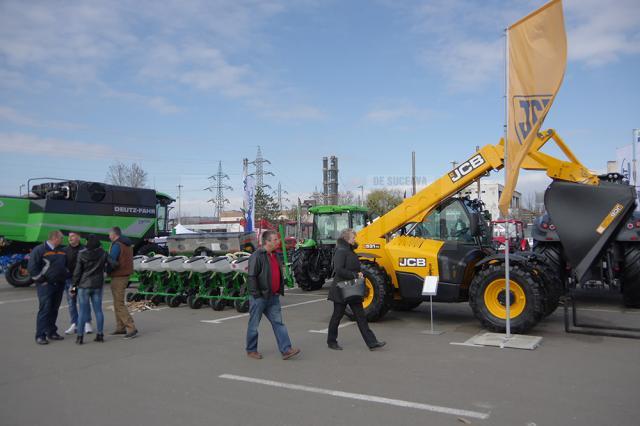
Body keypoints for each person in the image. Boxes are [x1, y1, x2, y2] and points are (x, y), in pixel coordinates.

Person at [246, 230, 300, 360]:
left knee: (278, 323)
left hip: (273, 296)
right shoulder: (257, 256)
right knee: (254, 325)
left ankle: (286, 350)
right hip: (260, 298)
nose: (278, 241)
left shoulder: (275, 254)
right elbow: (251, 276)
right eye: (275, 239)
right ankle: (251, 350)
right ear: (267, 242)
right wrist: (257, 295)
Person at [327, 229, 385, 351]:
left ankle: (372, 342)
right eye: (353, 238)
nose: (355, 240)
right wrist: (354, 275)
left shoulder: (349, 250)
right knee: (337, 316)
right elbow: (339, 270)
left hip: (352, 288)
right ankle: (331, 341)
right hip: (341, 289)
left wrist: (359, 273)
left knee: (361, 316)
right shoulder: (341, 251)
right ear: (347, 239)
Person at [27, 230, 68, 345]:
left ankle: (51, 332)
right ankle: (40, 335)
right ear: (54, 238)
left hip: (59, 284)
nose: (62, 240)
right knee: (45, 310)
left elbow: (65, 266)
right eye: (61, 238)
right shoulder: (39, 250)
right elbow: (32, 268)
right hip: (46, 286)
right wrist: (42, 281)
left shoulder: (61, 250)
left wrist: (65, 275)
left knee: (54, 309)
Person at [72, 235, 113, 344]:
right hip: (97, 285)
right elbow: (114, 263)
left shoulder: (81, 254)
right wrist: (106, 271)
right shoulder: (103, 253)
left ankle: (80, 337)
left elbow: (77, 273)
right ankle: (100, 335)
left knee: (82, 312)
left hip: (83, 286)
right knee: (98, 311)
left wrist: (73, 287)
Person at [107, 227, 138, 339]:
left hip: (118, 276)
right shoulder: (126, 244)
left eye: (109, 234)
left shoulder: (117, 245)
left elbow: (112, 260)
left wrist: (107, 271)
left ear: (114, 235)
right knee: (117, 302)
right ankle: (120, 327)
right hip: (124, 274)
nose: (109, 236)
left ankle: (131, 327)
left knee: (119, 303)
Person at [63, 232, 92, 335]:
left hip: (82, 281)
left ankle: (87, 323)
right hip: (71, 282)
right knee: (72, 302)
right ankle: (74, 324)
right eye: (69, 236)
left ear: (78, 238)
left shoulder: (85, 249)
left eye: (73, 236)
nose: (70, 238)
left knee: (84, 302)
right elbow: (63, 265)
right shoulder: (65, 250)